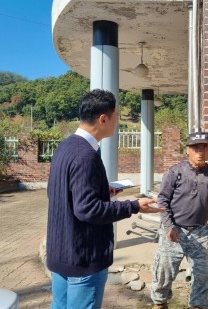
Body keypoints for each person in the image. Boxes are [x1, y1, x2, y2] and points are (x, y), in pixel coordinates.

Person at [46, 89, 164, 309]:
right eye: (116, 116)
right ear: (103, 119)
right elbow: (87, 210)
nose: (117, 121)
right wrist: (134, 205)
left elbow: (62, 191)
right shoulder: (86, 155)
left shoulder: (65, 146)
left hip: (61, 254)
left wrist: (102, 190)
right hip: (83, 257)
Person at [151, 131, 208, 309]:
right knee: (164, 270)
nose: (200, 151)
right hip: (174, 231)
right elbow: (162, 200)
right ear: (188, 150)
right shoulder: (175, 172)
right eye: (195, 148)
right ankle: (160, 303)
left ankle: (198, 305)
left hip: (199, 232)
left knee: (203, 273)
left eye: (204, 147)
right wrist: (169, 226)